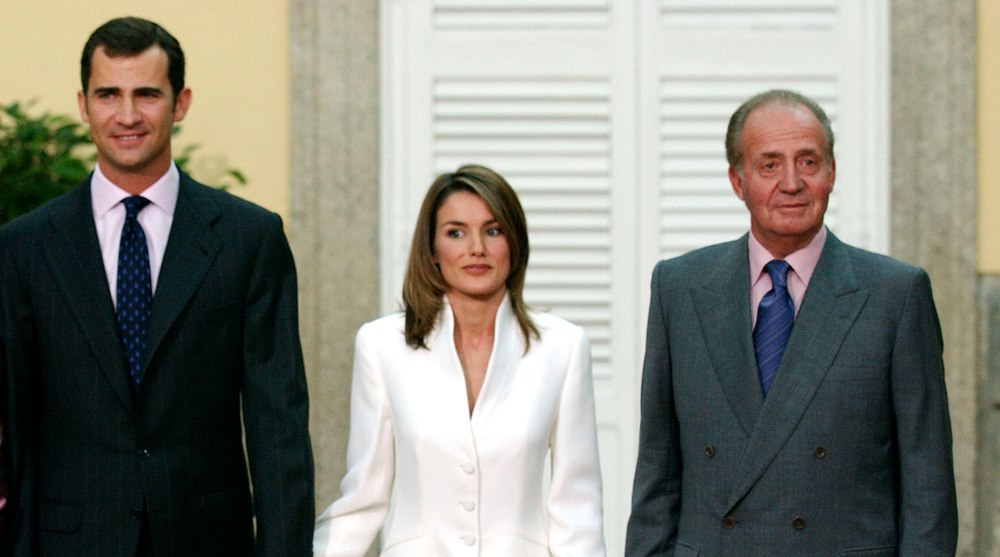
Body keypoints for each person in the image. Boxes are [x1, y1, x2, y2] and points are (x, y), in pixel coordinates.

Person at [0, 17, 314, 556]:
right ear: (83, 105)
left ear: (180, 103)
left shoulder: (248, 239)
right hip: (70, 543)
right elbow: (15, 426)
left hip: (207, 542)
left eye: (146, 94)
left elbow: (278, 426)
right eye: (108, 95)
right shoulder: (24, 247)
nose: (127, 115)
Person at [625, 89, 958, 556]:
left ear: (831, 173)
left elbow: (928, 488)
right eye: (769, 165)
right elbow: (657, 472)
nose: (792, 183)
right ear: (737, 181)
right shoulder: (680, 289)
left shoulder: (895, 296)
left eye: (808, 162)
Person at [313, 164, 606, 556]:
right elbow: (362, 499)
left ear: (514, 243)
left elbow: (576, 507)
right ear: (433, 251)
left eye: (493, 231)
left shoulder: (563, 347)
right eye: (456, 232)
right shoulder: (381, 346)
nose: (476, 248)